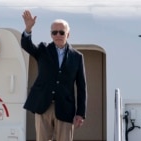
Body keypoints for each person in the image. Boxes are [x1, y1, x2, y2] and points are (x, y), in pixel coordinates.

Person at [21, 10, 87, 141]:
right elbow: (26, 45)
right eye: (54, 32)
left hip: (65, 107)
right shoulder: (43, 49)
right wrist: (28, 29)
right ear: (51, 35)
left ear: (68, 34)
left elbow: (81, 87)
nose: (58, 35)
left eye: (62, 32)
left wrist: (80, 113)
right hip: (43, 105)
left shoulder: (77, 57)